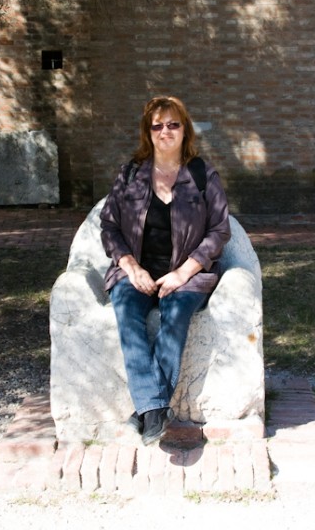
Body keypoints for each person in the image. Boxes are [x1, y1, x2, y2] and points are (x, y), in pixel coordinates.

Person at [100, 95, 231, 446]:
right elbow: (109, 226)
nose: (165, 131)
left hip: (186, 275)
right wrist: (130, 267)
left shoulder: (202, 174)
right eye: (157, 125)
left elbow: (219, 230)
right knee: (127, 314)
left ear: (184, 129)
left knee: (175, 319)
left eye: (173, 124)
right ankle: (155, 409)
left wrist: (183, 273)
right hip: (136, 272)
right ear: (148, 132)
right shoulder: (130, 174)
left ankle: (146, 410)